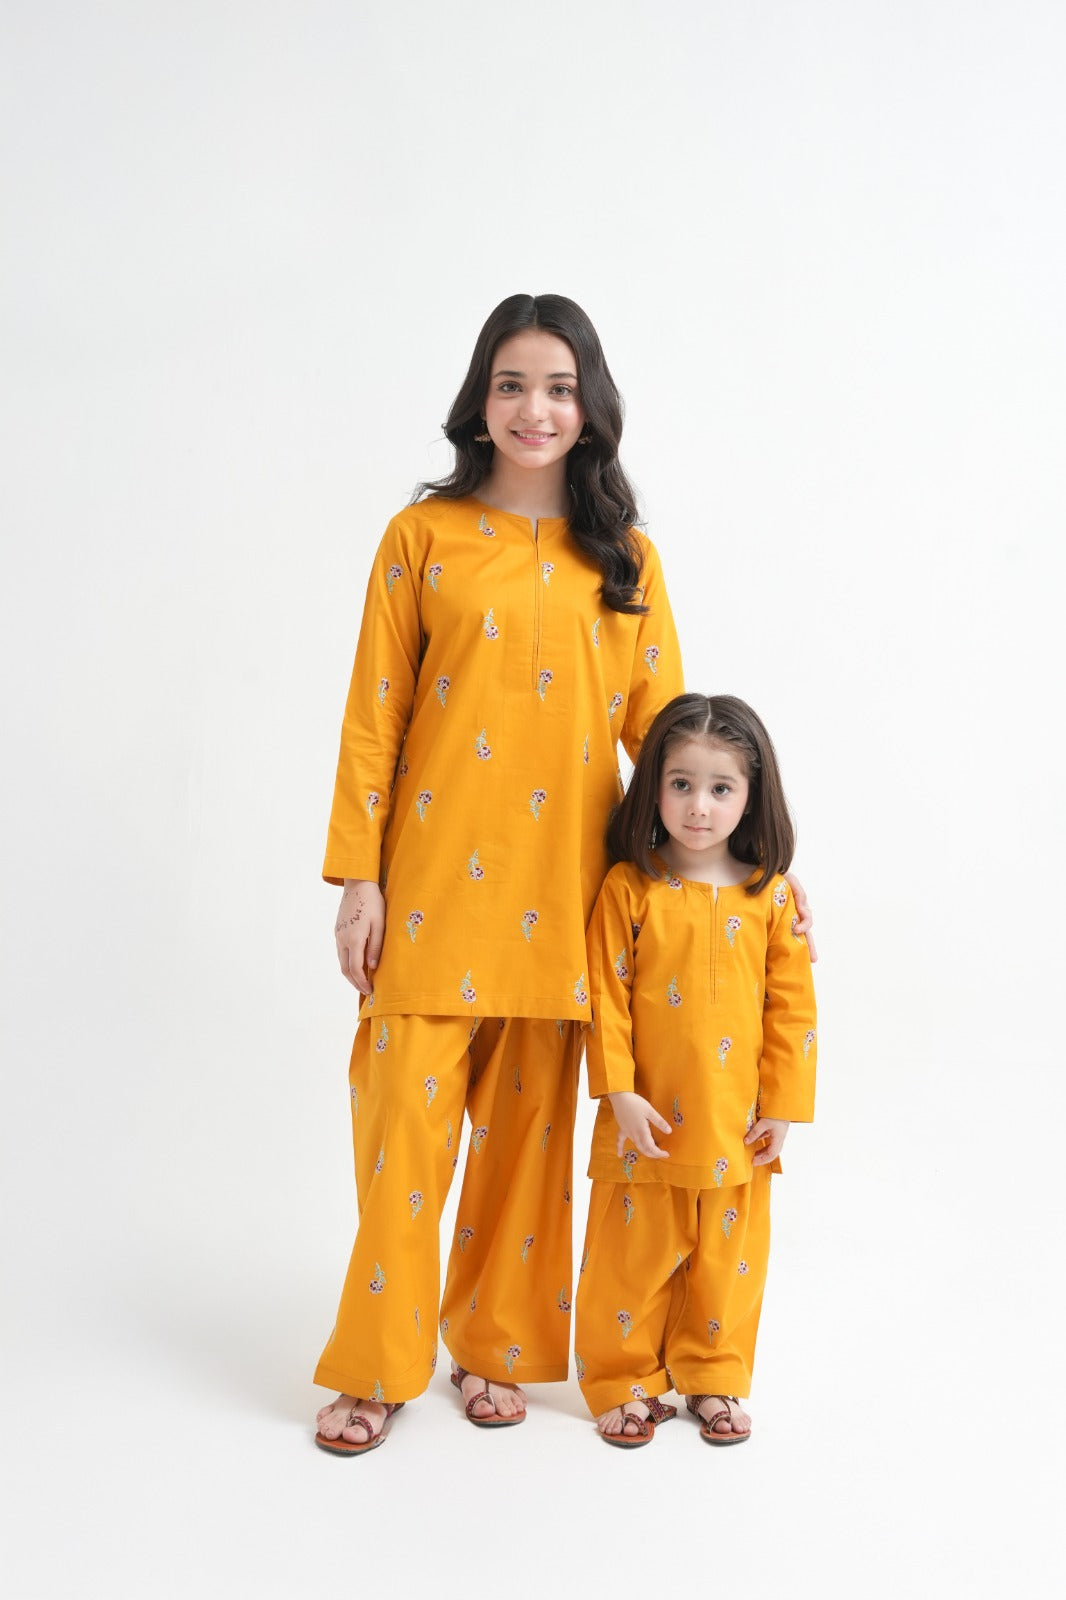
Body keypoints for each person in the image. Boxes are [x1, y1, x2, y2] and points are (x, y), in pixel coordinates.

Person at [312, 293, 688, 1453]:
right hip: (429, 889)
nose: (536, 409)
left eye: (560, 388)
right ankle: (378, 1364)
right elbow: (374, 715)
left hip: (562, 897)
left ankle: (498, 1348)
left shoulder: (624, 561)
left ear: (590, 408)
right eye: (513, 384)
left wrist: (747, 866)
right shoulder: (419, 538)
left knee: (527, 1150)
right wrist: (358, 878)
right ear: (481, 400)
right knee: (403, 1135)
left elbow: (667, 740)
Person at [574, 693, 816, 1448]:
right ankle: (622, 1381)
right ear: (653, 786)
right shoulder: (629, 888)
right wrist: (619, 1092)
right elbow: (605, 999)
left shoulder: (770, 898)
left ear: (752, 795)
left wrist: (782, 1106)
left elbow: (792, 1011)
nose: (699, 807)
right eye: (680, 784)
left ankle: (714, 1377)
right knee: (629, 1260)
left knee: (727, 1263)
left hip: (736, 1125)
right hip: (644, 1120)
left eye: (720, 788)